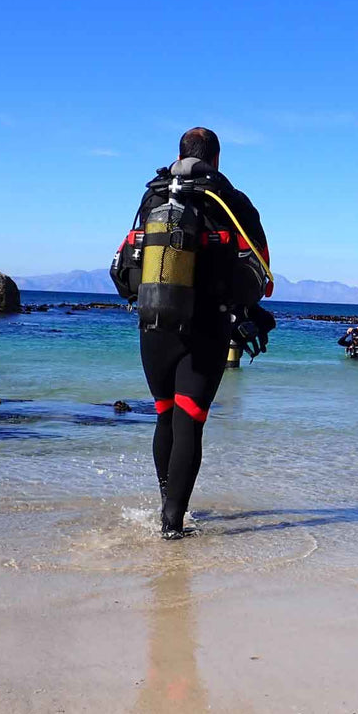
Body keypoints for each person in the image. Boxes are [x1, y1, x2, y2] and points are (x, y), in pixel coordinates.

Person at [110, 127, 274, 539]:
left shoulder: (154, 197)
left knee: (164, 416)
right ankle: (172, 525)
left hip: (154, 324)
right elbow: (263, 277)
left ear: (178, 154)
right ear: (216, 159)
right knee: (190, 422)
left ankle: (166, 504)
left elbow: (127, 265)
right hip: (207, 327)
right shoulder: (231, 201)